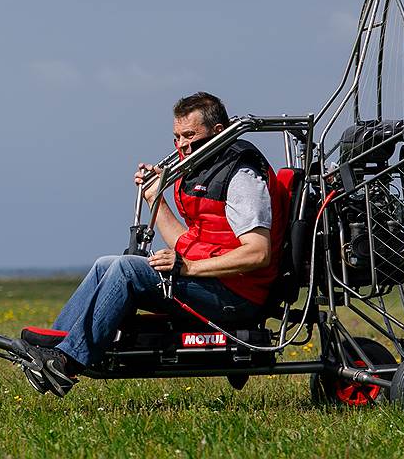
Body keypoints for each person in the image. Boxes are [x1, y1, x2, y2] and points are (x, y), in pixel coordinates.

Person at [20, 92, 281, 396]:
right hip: (213, 281)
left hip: (238, 296)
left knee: (128, 269)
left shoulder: (242, 177)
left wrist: (188, 267)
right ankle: (58, 341)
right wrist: (154, 197)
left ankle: (67, 361)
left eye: (190, 135)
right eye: (177, 137)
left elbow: (258, 252)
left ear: (218, 132)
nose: (182, 145)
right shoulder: (204, 168)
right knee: (106, 263)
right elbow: (186, 241)